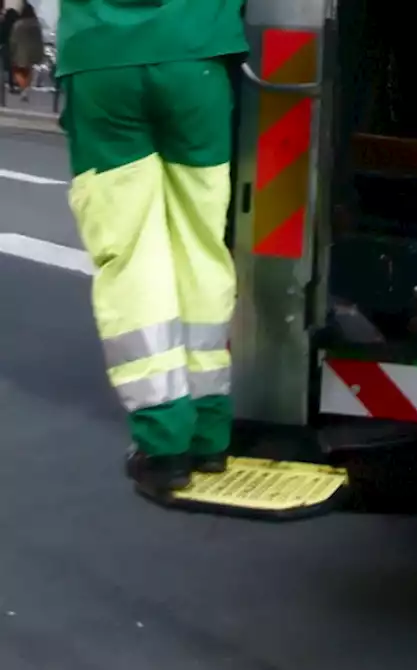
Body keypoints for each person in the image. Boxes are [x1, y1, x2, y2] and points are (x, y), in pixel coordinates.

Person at [56, 0, 248, 496]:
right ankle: (208, 432)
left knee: (133, 253)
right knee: (201, 245)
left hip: (100, 61)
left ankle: (163, 444)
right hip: (197, 56)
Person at [8, 2, 43, 100]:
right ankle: (26, 90)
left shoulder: (18, 24)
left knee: (19, 71)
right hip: (33, 52)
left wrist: (12, 50)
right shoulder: (36, 24)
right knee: (29, 71)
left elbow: (13, 39)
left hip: (21, 51)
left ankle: (23, 88)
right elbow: (40, 39)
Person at [1, 8, 17, 93]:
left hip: (5, 47)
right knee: (12, 68)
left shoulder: (3, 24)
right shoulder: (16, 25)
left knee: (3, 66)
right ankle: (12, 85)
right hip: (14, 48)